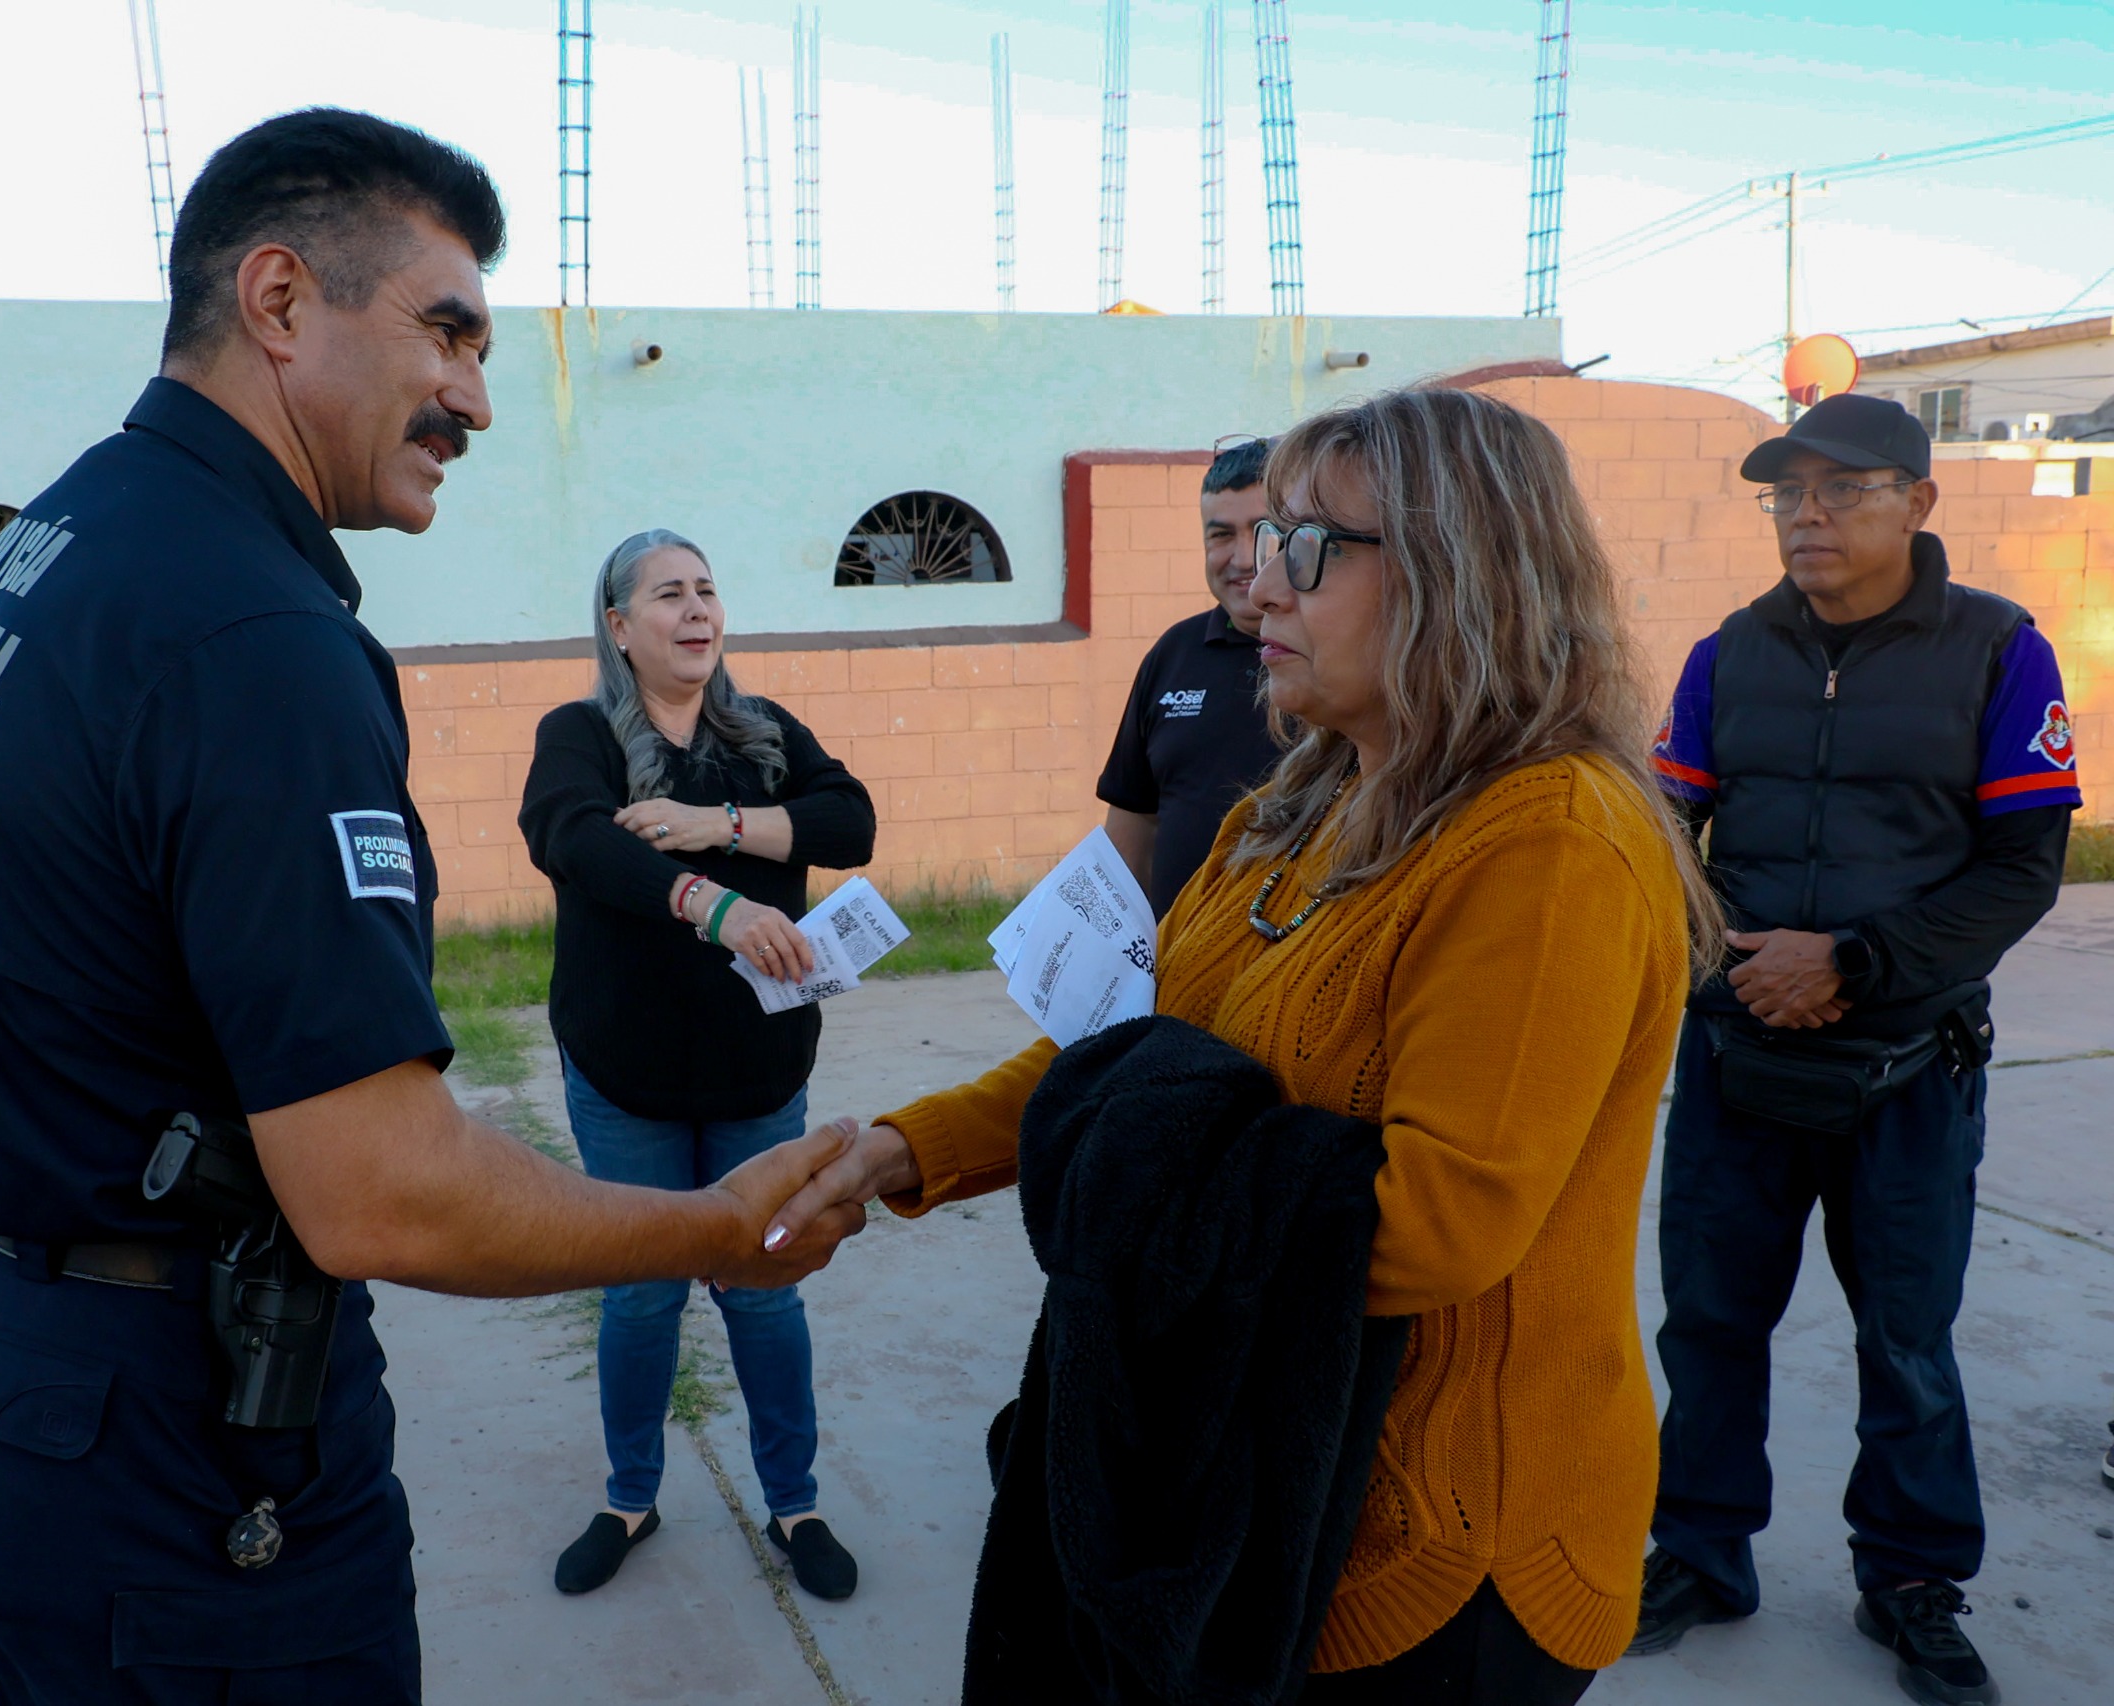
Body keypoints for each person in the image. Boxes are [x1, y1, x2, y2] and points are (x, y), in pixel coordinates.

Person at [0, 110, 863, 1705]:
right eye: (447, 330)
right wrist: (713, 1234)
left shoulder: (52, 545)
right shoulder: (255, 640)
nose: (475, 396)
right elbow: (383, 1194)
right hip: (169, 1423)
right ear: (278, 301)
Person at [771, 385, 1726, 1703]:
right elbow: (1147, 1059)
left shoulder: (1548, 841)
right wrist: (903, 1147)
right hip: (1265, 1493)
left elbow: (1435, 1224)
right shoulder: (1304, 798)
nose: (1258, 588)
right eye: (1263, 540)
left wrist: (1117, 1183)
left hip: (1443, 1545)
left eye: (1309, 548)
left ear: (1460, 575)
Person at [1630, 393, 2081, 1706]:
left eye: (1842, 489)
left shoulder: (2001, 651)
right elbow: (1667, 843)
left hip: (1908, 1067)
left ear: (1920, 502)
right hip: (1736, 1063)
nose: (1808, 514)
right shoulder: (1727, 655)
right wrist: (1743, 969)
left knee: (1909, 1339)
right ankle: (1701, 1552)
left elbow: (2023, 869)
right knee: (1712, 1322)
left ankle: (1913, 1579)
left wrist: (1853, 963)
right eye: (1787, 493)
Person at [518, 528, 878, 1601]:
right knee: (638, 1295)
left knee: (765, 1293)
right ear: (619, 625)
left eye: (707, 589)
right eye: (666, 593)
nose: (694, 609)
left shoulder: (762, 734)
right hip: (626, 1071)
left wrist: (714, 821)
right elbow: (573, 835)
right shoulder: (578, 732)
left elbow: (847, 820)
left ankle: (794, 1500)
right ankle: (630, 1494)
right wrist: (707, 896)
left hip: (757, 1072)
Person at [1097, 435, 1286, 915]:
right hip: (1177, 972)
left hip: (1294, 963)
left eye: (1263, 531)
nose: (1243, 559)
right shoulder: (1174, 654)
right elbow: (1131, 835)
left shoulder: (1348, 658)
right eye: (1221, 535)